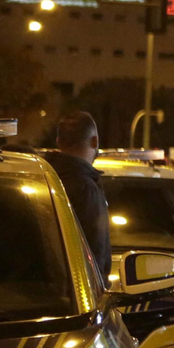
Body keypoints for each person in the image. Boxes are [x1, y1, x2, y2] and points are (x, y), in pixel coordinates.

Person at [45, 111, 111, 282]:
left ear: (59, 142)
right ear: (95, 141)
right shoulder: (86, 190)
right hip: (78, 298)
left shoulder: (42, 180)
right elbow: (95, 254)